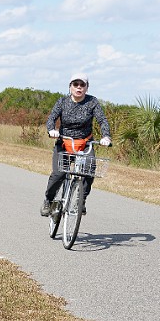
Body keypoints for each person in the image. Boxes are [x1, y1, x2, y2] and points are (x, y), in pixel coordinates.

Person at [40, 72, 111, 216]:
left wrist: (106, 136)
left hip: (85, 144)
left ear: (87, 87)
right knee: (59, 174)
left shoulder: (92, 102)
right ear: (70, 87)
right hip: (64, 143)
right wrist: (51, 130)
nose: (79, 87)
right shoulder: (62, 101)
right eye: (75, 84)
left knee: (89, 169)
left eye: (82, 85)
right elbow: (51, 118)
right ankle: (48, 200)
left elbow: (102, 120)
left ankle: (81, 201)